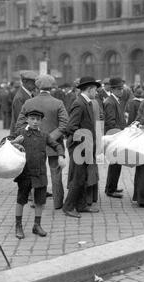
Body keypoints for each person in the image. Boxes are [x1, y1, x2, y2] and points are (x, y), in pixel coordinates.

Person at [15, 74, 69, 210]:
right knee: (56, 173)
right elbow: (64, 124)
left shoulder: (29, 103)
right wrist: (50, 137)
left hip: (33, 144)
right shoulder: (58, 103)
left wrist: (33, 135)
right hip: (54, 144)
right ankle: (58, 203)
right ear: (51, 87)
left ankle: (35, 201)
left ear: (37, 87)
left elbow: (19, 125)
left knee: (35, 173)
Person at [12, 109, 66, 239]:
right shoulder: (20, 133)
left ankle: (37, 225)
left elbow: (57, 146)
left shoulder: (44, 135)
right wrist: (15, 143)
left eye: (38, 119)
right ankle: (18, 226)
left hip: (40, 172)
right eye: (32, 119)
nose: (35, 122)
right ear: (27, 120)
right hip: (25, 172)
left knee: (40, 201)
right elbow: (6, 144)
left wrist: (61, 155)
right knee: (21, 199)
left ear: (41, 121)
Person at [62, 76, 100, 218]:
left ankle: (81, 205)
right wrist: (85, 140)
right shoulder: (80, 103)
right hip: (79, 147)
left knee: (83, 176)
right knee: (78, 177)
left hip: (85, 146)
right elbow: (71, 127)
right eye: (95, 90)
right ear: (89, 89)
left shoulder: (87, 102)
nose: (96, 93)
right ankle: (68, 207)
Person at [104, 77, 127, 198]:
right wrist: (120, 133)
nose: (121, 91)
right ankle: (110, 189)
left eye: (122, 88)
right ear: (112, 89)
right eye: (119, 89)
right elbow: (110, 122)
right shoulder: (110, 102)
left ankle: (112, 187)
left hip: (118, 136)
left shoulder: (115, 100)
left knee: (117, 164)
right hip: (115, 137)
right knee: (115, 163)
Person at [10, 70, 38, 136]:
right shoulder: (20, 97)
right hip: (21, 133)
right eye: (33, 83)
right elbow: (20, 119)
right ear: (24, 82)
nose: (35, 85)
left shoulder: (30, 94)